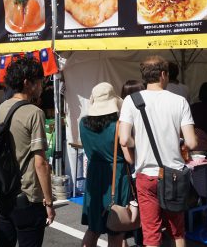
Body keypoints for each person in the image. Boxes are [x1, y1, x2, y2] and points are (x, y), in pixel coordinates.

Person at [118, 56, 197, 247]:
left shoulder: (131, 100)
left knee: (151, 233)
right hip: (174, 175)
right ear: (163, 74)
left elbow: (124, 139)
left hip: (146, 175)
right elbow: (192, 143)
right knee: (177, 232)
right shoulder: (179, 101)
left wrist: (138, 142)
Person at [0, 57, 55, 247]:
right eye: (39, 82)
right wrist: (48, 201)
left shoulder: (0, 108)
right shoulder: (34, 113)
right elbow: (41, 163)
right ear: (27, 83)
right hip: (28, 195)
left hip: (5, 191)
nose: (41, 86)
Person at [79, 82, 130, 247]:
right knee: (115, 230)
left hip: (94, 175)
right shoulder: (118, 125)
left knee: (93, 228)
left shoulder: (83, 123)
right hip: (117, 175)